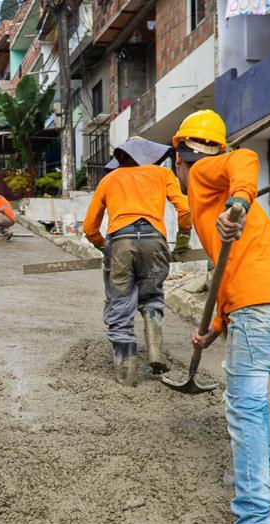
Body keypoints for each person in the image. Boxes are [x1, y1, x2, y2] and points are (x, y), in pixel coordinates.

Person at [171, 110, 270, 524]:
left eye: (178, 158)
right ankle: (255, 488)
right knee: (252, 409)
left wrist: (239, 203)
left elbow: (245, 157)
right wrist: (215, 328)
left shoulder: (203, 174)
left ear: (184, 154)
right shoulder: (214, 200)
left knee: (245, 410)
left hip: (260, 310)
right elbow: (234, 275)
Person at [83, 137, 192, 385]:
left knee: (120, 302)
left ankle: (127, 370)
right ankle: (155, 349)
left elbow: (90, 228)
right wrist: (183, 237)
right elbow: (184, 209)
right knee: (151, 296)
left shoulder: (109, 180)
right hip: (155, 240)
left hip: (121, 242)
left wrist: (104, 248)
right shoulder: (161, 174)